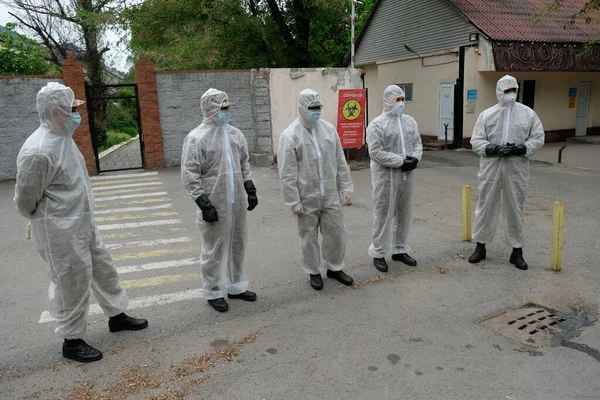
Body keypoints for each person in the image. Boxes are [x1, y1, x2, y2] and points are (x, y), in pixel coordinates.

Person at [14, 82, 148, 363]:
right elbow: (25, 199)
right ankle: (72, 340)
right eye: (72, 108)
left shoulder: (63, 138)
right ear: (55, 111)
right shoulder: (38, 150)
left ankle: (117, 315)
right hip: (59, 229)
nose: (77, 113)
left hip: (81, 221)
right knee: (70, 281)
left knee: (101, 266)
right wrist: (53, 218)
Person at [181, 88, 258, 313]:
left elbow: (244, 163)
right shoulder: (197, 138)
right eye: (222, 108)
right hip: (214, 202)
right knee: (214, 248)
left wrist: (250, 187)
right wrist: (203, 203)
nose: (226, 112)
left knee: (237, 244)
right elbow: (190, 175)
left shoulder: (235, 134)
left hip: (236, 201)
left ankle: (236, 286)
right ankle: (213, 290)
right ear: (208, 110)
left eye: (227, 108)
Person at [278, 89, 354, 290]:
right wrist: (293, 201)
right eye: (312, 108)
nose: (316, 111)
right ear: (301, 108)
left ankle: (335, 267)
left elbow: (339, 159)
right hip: (306, 196)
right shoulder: (290, 135)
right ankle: (313, 271)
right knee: (309, 236)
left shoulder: (329, 130)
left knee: (336, 232)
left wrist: (345, 186)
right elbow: (287, 172)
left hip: (329, 193)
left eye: (318, 107)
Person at [469, 75, 545, 270]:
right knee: (486, 206)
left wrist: (521, 148)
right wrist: (492, 149)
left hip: (516, 168)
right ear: (498, 91)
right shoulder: (487, 115)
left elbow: (537, 137)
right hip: (491, 167)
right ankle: (481, 246)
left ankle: (517, 251)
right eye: (506, 90)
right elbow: (476, 140)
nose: (510, 94)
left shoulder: (528, 114)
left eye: (513, 90)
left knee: (516, 208)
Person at [367, 85, 423, 273]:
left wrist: (415, 158)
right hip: (386, 177)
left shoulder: (410, 122)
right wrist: (399, 161)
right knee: (383, 213)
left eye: (402, 99)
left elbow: (417, 143)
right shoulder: (377, 124)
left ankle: (400, 249)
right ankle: (379, 253)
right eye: (396, 100)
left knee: (404, 212)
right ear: (386, 101)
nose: (400, 103)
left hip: (407, 176)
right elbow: (375, 152)